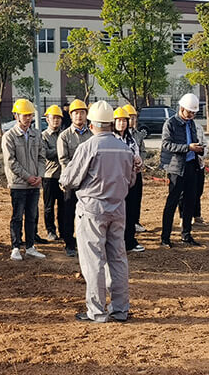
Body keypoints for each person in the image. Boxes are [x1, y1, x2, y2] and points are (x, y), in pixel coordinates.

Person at [59, 101, 135, 323]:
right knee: (118, 259)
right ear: (111, 123)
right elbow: (130, 181)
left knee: (94, 261)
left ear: (91, 124)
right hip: (118, 208)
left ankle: (97, 311)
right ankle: (120, 309)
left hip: (92, 210)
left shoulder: (88, 147)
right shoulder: (125, 148)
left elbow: (69, 179)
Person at [3, 99, 46, 261]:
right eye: (25, 115)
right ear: (16, 116)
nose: (28, 118)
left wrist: (39, 175)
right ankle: (15, 247)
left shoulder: (36, 135)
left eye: (30, 115)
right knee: (17, 216)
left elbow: (42, 157)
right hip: (19, 184)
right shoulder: (9, 136)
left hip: (34, 184)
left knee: (31, 216)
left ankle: (30, 246)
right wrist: (28, 176)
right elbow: (11, 161)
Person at [159, 93, 205, 248]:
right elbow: (166, 145)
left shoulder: (191, 124)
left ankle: (186, 235)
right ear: (182, 108)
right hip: (176, 169)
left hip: (192, 166)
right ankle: (165, 237)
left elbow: (194, 142)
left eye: (194, 113)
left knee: (190, 201)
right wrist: (187, 148)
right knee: (172, 202)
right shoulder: (170, 123)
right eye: (190, 112)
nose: (192, 115)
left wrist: (198, 149)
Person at [57, 99, 93, 257]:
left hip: (89, 182)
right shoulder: (64, 136)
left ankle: (86, 241)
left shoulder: (92, 135)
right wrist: (75, 176)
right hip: (72, 182)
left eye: (82, 113)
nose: (79, 116)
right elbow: (64, 160)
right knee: (69, 212)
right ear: (70, 116)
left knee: (89, 213)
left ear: (86, 115)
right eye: (76, 113)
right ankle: (69, 243)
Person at [113, 107, 145, 252]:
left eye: (124, 121)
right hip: (117, 179)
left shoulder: (131, 138)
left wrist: (138, 162)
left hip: (133, 177)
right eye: (119, 121)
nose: (122, 123)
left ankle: (130, 240)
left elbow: (138, 152)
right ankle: (117, 241)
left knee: (131, 209)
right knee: (118, 212)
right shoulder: (112, 139)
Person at [41, 105, 64, 242]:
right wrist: (62, 150)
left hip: (63, 176)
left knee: (63, 206)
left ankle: (63, 231)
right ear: (47, 119)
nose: (56, 120)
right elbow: (47, 154)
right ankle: (50, 231)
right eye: (53, 117)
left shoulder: (64, 135)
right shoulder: (43, 136)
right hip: (49, 176)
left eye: (58, 118)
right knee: (49, 206)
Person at [123, 104, 147, 233]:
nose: (132, 120)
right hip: (124, 173)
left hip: (136, 171)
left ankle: (135, 221)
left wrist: (140, 161)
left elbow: (143, 150)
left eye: (134, 118)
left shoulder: (138, 135)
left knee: (137, 197)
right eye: (129, 118)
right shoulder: (118, 135)